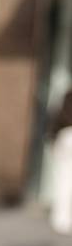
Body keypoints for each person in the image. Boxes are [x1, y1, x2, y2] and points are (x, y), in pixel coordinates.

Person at [48, 88, 72, 235]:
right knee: (67, 181)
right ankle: (63, 220)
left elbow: (57, 118)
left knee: (63, 181)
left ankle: (60, 219)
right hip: (66, 137)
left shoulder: (67, 95)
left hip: (64, 137)